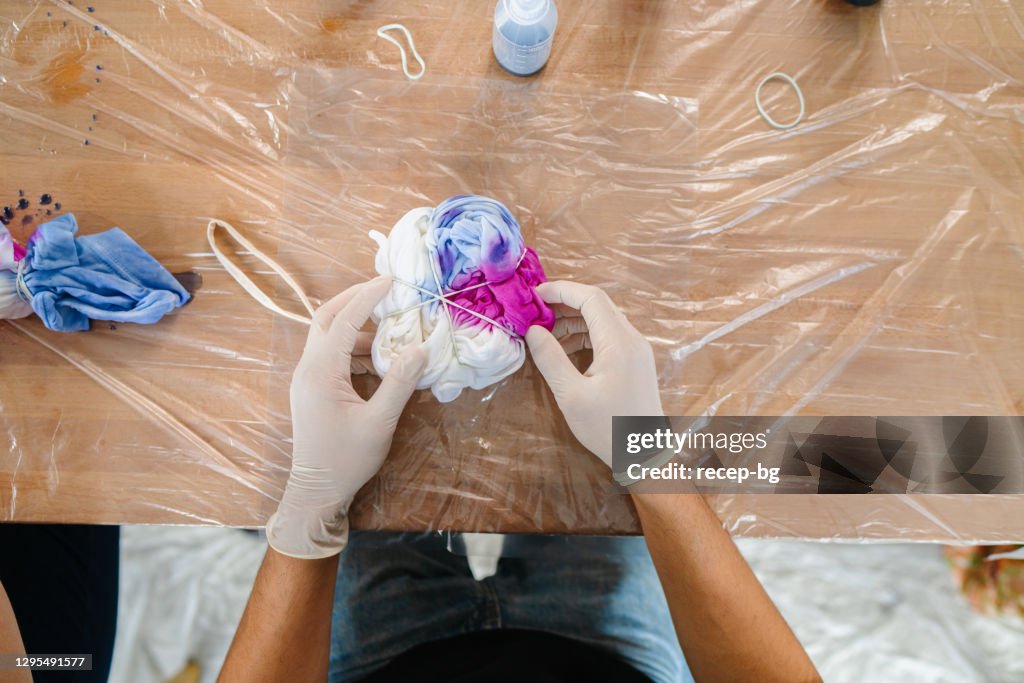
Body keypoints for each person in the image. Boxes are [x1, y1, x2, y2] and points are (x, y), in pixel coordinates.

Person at [218, 277, 821, 683]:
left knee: (385, 468)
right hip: (608, 649)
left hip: (381, 657)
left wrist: (311, 504)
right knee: (588, 483)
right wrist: (648, 456)